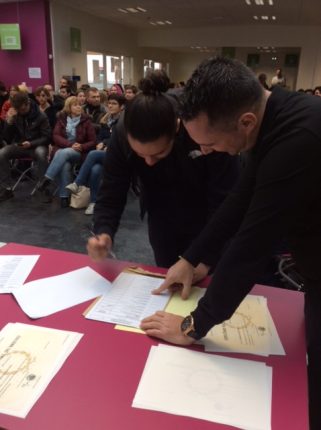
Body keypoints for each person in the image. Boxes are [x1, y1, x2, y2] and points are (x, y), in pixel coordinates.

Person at [139, 57, 321, 429]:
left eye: (210, 143)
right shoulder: (273, 117)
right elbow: (239, 199)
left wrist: (193, 326)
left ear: (246, 122)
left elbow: (252, 244)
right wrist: (190, 258)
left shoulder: (299, 139)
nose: (206, 152)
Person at [87, 70, 239, 269]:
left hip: (206, 210)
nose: (149, 162)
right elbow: (112, 188)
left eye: (158, 154)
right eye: (141, 155)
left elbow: (224, 199)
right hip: (160, 208)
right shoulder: (123, 131)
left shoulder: (203, 128)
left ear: (176, 129)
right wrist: (104, 231)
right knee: (166, 268)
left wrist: (206, 259)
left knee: (209, 279)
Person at [66, 93, 126, 215]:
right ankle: (94, 203)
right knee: (95, 169)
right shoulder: (105, 119)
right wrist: (99, 143)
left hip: (120, 156)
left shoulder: (125, 121)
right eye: (109, 103)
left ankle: (78, 183)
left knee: (93, 154)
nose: (110, 105)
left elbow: (120, 138)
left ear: (122, 106)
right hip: (105, 155)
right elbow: (99, 137)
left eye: (114, 104)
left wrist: (105, 144)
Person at [37, 96, 96, 207]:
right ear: (69, 107)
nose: (79, 107)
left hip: (80, 152)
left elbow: (93, 141)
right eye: (75, 105)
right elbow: (56, 136)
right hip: (65, 149)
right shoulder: (62, 119)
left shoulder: (86, 121)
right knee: (65, 164)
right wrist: (70, 144)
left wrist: (81, 146)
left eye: (79, 104)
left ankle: (47, 179)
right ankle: (64, 197)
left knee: (62, 153)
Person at [0, 92, 51, 201]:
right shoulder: (16, 114)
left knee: (41, 153)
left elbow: (47, 137)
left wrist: (31, 143)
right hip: (21, 146)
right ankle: (7, 189)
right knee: (2, 153)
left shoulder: (41, 116)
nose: (21, 112)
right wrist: (9, 122)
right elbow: (7, 138)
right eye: (19, 110)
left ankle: (43, 188)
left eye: (23, 110)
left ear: (28, 103)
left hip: (37, 145)